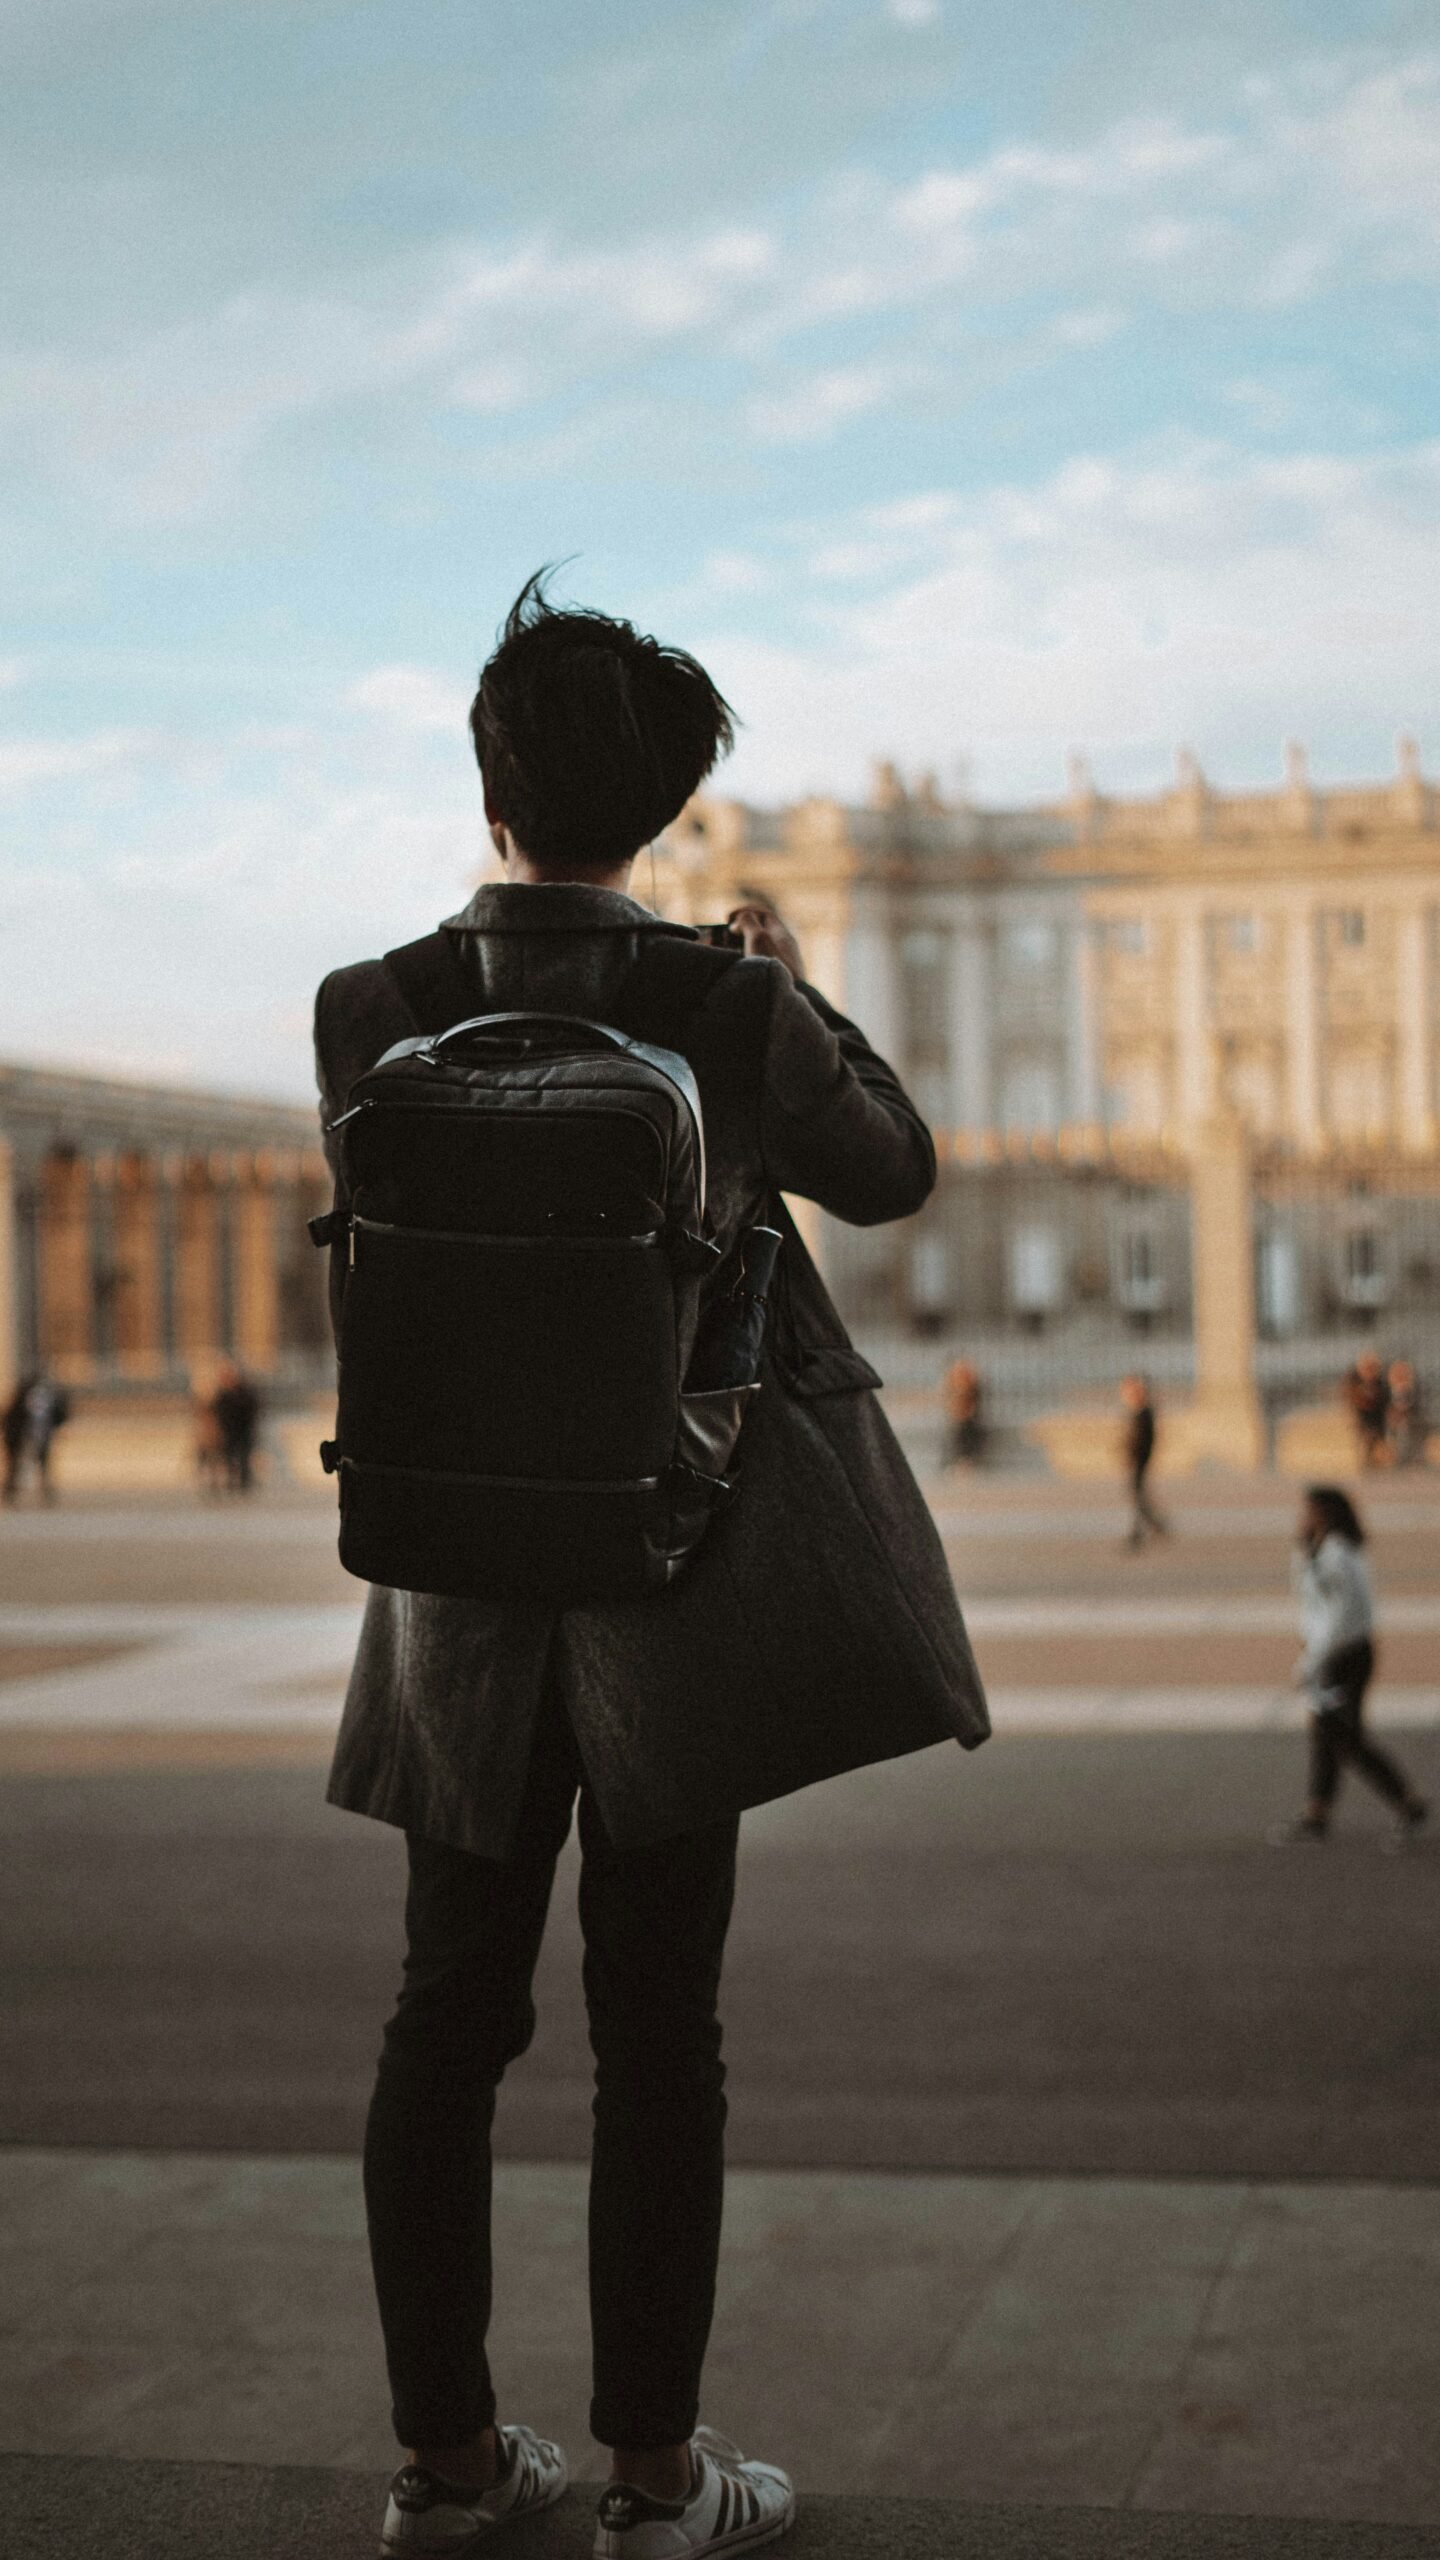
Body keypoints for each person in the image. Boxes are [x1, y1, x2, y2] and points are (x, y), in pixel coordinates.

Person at [314, 574, 989, 2560]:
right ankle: (654, 2480)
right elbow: (890, 1168)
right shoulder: (720, 997)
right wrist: (792, 982)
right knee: (657, 2027)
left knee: (444, 2013)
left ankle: (444, 2466)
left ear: (489, 778)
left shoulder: (373, 1002)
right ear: (675, 802)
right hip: (676, 1569)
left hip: (454, 1577)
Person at [1270, 1484, 1428, 1849]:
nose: (1302, 1518)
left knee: (1346, 1738)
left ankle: (1409, 1804)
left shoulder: (1338, 1554)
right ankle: (1317, 1814)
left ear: (1325, 1513)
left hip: (1343, 1658)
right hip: (1332, 1655)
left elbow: (1344, 1616)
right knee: (1326, 1733)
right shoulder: (1322, 1549)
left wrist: (1313, 1663)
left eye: (1308, 1511)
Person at [3, 1372, 70, 1505]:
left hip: (42, 1436)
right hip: (21, 1436)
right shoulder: (22, 1398)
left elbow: (59, 1414)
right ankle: (10, 1493)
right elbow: (12, 1417)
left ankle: (46, 1493)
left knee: (43, 1466)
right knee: (16, 1467)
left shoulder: (50, 1399)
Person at [1119, 1373, 1167, 1548]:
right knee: (1138, 1496)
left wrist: (1133, 1456)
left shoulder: (1144, 1413)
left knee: (1138, 1496)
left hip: (1140, 1460)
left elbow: (1142, 1440)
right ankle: (1154, 1526)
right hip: (1139, 1460)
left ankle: (1142, 1531)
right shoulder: (1140, 1412)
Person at [212, 1360, 261, 1493]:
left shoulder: (244, 1393)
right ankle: (231, 1482)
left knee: (243, 1457)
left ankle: (244, 1483)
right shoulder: (222, 1394)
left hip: (243, 1430)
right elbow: (217, 1412)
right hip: (228, 1431)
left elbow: (252, 1410)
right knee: (229, 1458)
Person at [1343, 1351, 1389, 1469]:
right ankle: (1366, 1459)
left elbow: (1384, 1399)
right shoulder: (1354, 1381)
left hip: (1377, 1415)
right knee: (1365, 1434)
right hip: (1362, 1415)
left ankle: (1376, 1459)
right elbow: (1352, 1399)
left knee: (1377, 1434)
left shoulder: (1380, 1382)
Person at [943, 1358, 985, 1467]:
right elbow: (948, 1399)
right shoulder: (952, 1382)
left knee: (966, 1429)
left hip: (969, 1417)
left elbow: (973, 1401)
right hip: (959, 1416)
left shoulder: (972, 1383)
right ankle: (958, 1461)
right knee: (958, 1430)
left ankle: (966, 1460)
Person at [1385, 1359, 1425, 1468]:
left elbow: (1415, 1406)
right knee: (1392, 1428)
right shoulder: (1388, 1389)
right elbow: (1387, 1406)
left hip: (1410, 1418)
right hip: (1392, 1419)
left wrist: (1403, 1412)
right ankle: (1393, 1456)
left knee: (1404, 1427)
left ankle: (1405, 1458)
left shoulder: (1413, 1388)